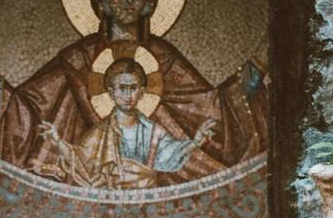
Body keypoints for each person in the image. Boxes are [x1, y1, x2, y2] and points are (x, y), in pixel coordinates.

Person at [0, 0, 265, 182]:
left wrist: (267, 51)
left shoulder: (165, 60)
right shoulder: (77, 60)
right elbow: (19, 115)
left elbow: (217, 110)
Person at [40, 56, 221, 186]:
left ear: (141, 92)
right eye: (122, 89)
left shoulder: (152, 130)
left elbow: (168, 155)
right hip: (113, 200)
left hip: (147, 197)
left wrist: (196, 142)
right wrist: (56, 142)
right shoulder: (100, 132)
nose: (127, 96)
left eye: (133, 88)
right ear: (111, 93)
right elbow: (82, 158)